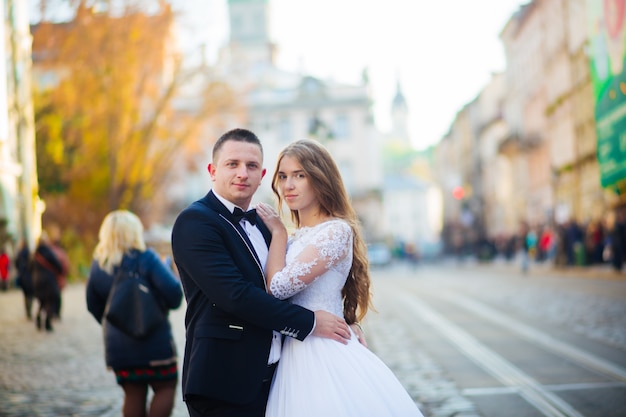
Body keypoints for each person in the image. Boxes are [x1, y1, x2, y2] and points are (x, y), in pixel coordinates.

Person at [171, 128, 360, 417]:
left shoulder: (266, 226)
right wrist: (310, 323)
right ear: (212, 170)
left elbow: (303, 282)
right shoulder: (195, 222)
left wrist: (345, 320)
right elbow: (235, 296)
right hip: (224, 381)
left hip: (279, 378)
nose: (242, 173)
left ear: (262, 175)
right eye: (232, 164)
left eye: (252, 166)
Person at [256, 139, 424, 417]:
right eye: (283, 176)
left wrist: (278, 232)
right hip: (294, 353)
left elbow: (278, 288)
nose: (288, 185)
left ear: (321, 178)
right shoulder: (298, 236)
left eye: (300, 175)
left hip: (323, 352)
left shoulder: (334, 232)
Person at [86, 210, 183, 417]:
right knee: (165, 387)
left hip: (120, 348)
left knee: (133, 394)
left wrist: (116, 323)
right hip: (155, 343)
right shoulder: (147, 258)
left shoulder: (99, 264)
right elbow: (175, 296)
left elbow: (93, 304)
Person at [32, 232, 63, 331]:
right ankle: (47, 323)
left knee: (41, 301)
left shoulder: (34, 254)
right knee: (50, 301)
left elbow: (29, 267)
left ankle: (38, 318)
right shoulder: (48, 252)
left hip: (37, 280)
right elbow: (58, 265)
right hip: (48, 280)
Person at [14, 240, 34, 319]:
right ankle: (29, 310)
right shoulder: (29, 253)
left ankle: (27, 311)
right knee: (30, 295)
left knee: (25, 295)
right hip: (29, 276)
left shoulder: (19, 254)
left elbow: (16, 264)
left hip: (22, 277)